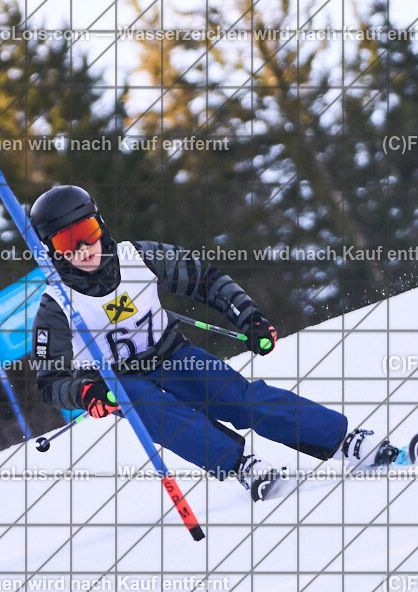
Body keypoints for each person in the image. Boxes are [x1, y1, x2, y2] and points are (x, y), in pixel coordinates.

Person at [29, 185, 396, 501]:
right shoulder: (56, 304)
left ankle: (344, 439)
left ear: (101, 225)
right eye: (66, 242)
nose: (82, 248)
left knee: (236, 398)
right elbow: (50, 382)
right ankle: (242, 465)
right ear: (52, 250)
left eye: (87, 231)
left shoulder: (137, 256)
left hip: (173, 356)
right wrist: (87, 393)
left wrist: (248, 318)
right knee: (152, 409)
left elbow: (204, 279)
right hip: (121, 381)